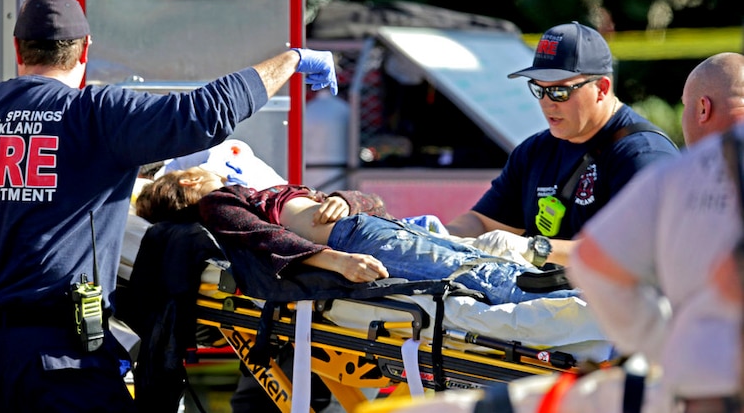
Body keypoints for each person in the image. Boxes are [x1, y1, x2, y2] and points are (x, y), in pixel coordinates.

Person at [0, 0, 338, 413]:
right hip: (60, 364)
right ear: (84, 50)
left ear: (17, 47)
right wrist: (293, 59)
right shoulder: (93, 114)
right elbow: (203, 113)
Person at [568, 53, 744, 412]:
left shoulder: (675, 178)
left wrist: (664, 343)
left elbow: (590, 259)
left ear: (702, 109)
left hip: (709, 389)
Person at [135, 166, 579, 306]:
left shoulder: (252, 194)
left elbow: (373, 203)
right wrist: (338, 261)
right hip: (359, 242)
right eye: (193, 171)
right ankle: (578, 305)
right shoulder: (218, 203)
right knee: (475, 275)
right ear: (189, 186)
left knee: (486, 265)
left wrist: (346, 199)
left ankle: (574, 292)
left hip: (373, 227)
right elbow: (268, 239)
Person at [445, 21, 679, 266]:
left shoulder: (643, 154)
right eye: (539, 89)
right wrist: (442, 235)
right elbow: (482, 222)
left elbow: (633, 251)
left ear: (602, 88)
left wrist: (537, 249)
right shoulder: (534, 152)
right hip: (548, 301)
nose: (547, 103)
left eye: (560, 92)